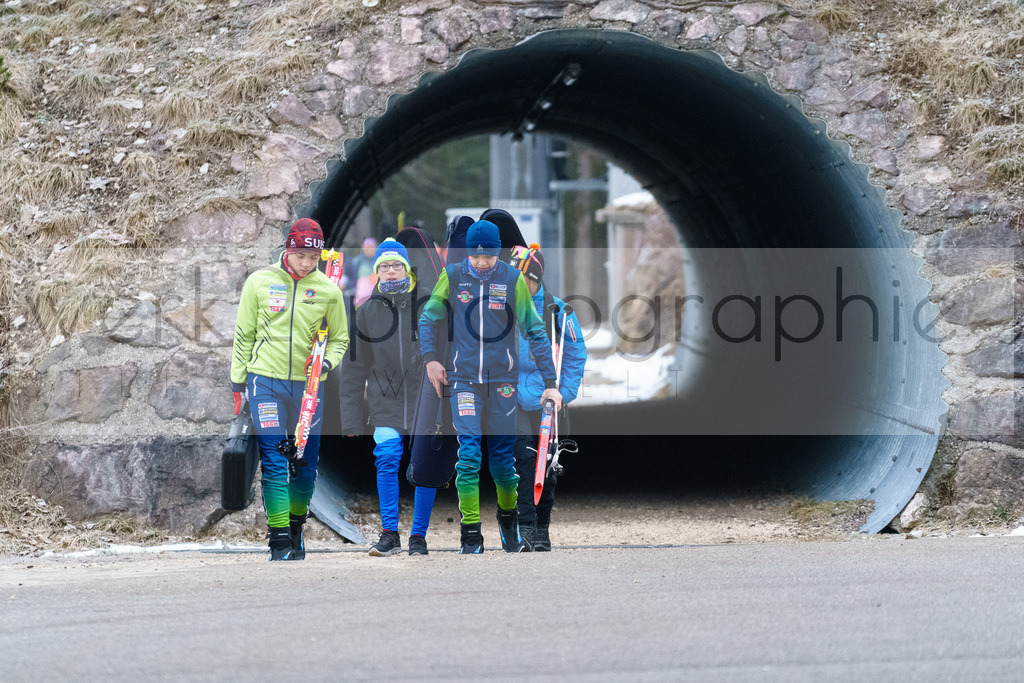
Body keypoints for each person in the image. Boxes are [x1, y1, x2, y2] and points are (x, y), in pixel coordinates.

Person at [419, 220, 562, 554]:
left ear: (498, 251)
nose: (482, 263)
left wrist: (551, 383)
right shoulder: (453, 275)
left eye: (488, 256)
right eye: (476, 256)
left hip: (502, 383)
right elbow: (429, 317)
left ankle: (507, 519)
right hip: (464, 380)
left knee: (501, 462)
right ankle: (470, 532)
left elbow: (536, 332)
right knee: (468, 457)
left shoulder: (513, 279)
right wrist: (431, 359)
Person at [230, 218, 349, 561]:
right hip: (264, 380)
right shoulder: (259, 282)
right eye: (300, 256)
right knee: (275, 459)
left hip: (308, 388)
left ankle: (296, 524)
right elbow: (244, 334)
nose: (306, 264)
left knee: (305, 463)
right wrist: (238, 383)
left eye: (313, 258)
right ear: (287, 249)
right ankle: (279, 536)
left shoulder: (328, 290)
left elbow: (340, 339)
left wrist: (325, 365)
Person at [339, 238, 437, 556]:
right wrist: (351, 416)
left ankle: (418, 536)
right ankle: (390, 532)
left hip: (424, 396)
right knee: (387, 457)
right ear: (376, 272)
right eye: (384, 266)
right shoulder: (366, 312)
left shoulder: (428, 304)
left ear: (407, 268)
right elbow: (354, 368)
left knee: (424, 465)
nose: (391, 271)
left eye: (397, 265)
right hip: (384, 398)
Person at [506, 246, 587, 551]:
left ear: (534, 278)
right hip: (512, 398)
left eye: (521, 278)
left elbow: (575, 355)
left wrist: (564, 394)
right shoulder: (501, 307)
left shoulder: (559, 312)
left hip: (547, 399)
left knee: (547, 467)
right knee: (523, 461)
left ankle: (542, 527)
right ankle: (525, 526)